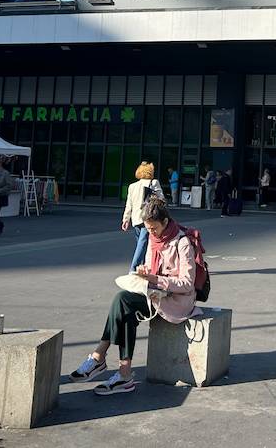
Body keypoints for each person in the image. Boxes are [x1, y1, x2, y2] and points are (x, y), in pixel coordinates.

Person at [70, 199, 197, 396]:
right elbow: (149, 267)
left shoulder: (182, 242)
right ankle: (122, 373)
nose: (151, 233)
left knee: (123, 301)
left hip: (176, 301)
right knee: (125, 308)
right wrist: (143, 273)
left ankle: (101, 358)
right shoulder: (153, 241)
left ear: (165, 222)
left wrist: (156, 279)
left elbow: (187, 283)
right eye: (148, 229)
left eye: (154, 228)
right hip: (154, 294)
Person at [122, 162, 165, 272]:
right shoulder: (154, 182)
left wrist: (126, 219)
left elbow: (129, 204)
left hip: (136, 219)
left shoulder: (132, 186)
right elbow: (162, 199)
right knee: (143, 244)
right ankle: (134, 268)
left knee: (141, 244)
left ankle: (143, 267)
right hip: (148, 217)